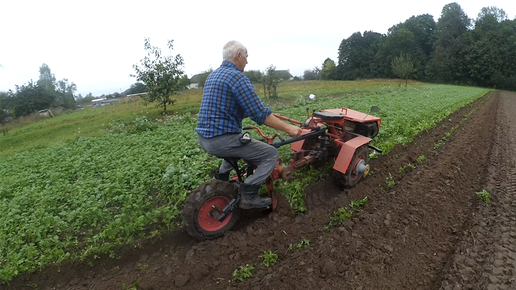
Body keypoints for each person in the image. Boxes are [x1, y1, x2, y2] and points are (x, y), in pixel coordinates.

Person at [195, 40, 302, 209]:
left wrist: (248, 111)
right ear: (238, 55)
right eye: (246, 57)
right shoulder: (237, 78)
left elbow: (223, 106)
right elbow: (260, 115)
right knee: (270, 153)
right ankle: (249, 194)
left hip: (204, 139)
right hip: (222, 140)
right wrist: (290, 128)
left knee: (241, 144)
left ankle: (222, 177)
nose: (247, 61)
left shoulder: (213, 76)